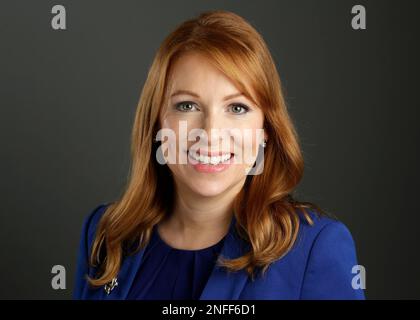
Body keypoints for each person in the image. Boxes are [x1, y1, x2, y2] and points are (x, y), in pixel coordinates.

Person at [73, 10, 365, 300]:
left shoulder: (314, 248)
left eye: (237, 108)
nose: (210, 133)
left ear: (266, 129)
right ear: (157, 123)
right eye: (187, 106)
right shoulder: (106, 233)